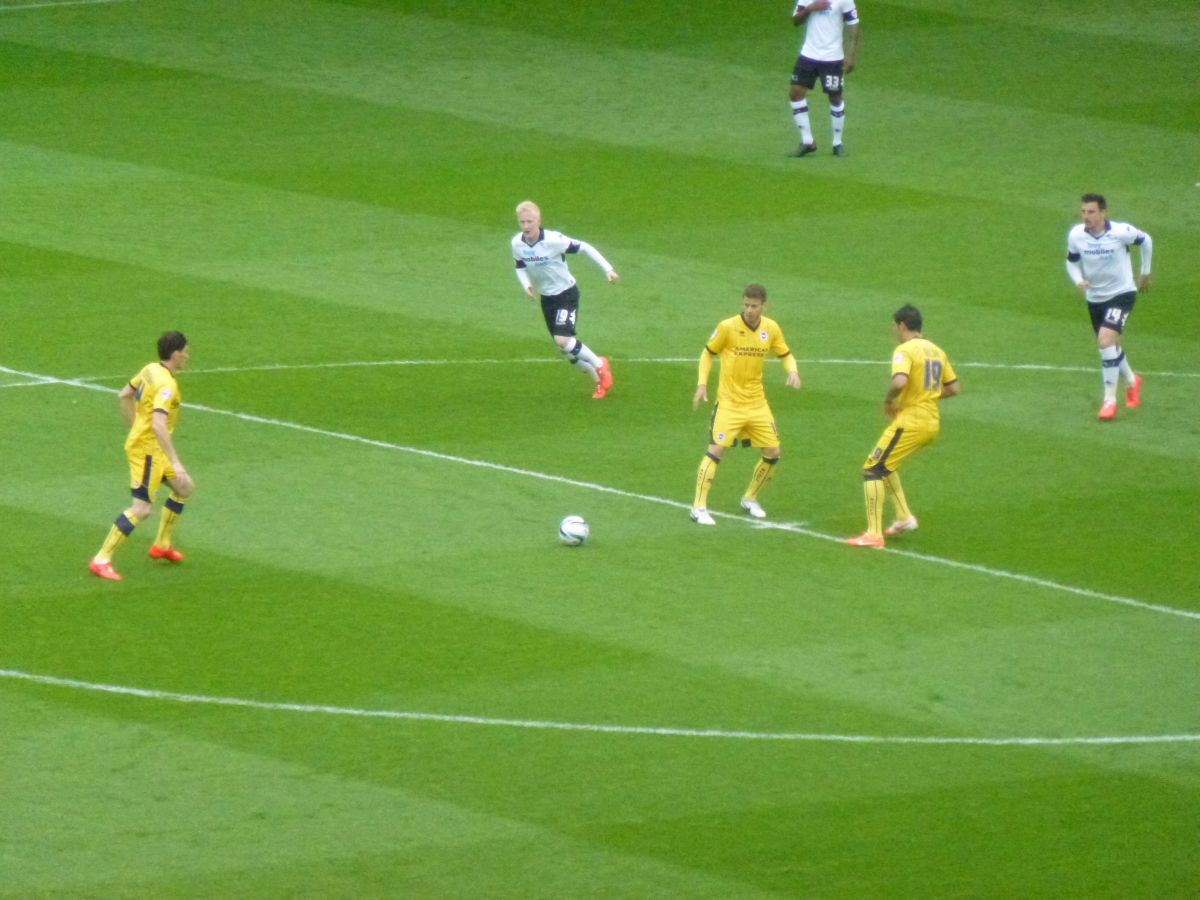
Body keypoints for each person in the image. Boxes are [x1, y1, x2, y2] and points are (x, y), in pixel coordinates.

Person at [846, 305, 959, 548]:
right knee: (887, 464)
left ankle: (874, 534)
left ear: (902, 326)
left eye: (895, 326)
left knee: (873, 469)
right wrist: (926, 395)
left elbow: (899, 381)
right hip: (930, 421)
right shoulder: (936, 350)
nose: (894, 331)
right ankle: (904, 517)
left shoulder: (905, 350)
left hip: (912, 421)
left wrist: (889, 400)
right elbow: (953, 388)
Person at [690, 285, 802, 526]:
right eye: (746, 305)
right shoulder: (727, 327)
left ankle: (750, 499)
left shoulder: (771, 328)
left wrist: (792, 371)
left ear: (764, 306)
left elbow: (786, 354)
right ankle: (698, 507)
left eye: (754, 306)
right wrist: (701, 384)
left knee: (773, 452)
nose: (749, 311)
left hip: (757, 403)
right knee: (716, 449)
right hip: (729, 403)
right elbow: (707, 353)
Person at [89, 332, 195, 581]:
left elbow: (123, 394)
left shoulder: (150, 369)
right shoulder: (167, 385)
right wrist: (176, 461)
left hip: (150, 447)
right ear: (176, 353)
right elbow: (159, 425)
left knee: (184, 487)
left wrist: (136, 426)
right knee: (142, 509)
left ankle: (162, 545)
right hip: (148, 452)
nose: (188, 355)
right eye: (185, 350)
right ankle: (101, 560)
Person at [511, 201, 619, 399]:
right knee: (567, 352)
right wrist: (526, 284)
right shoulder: (517, 243)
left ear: (538, 221)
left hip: (566, 294)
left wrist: (608, 269)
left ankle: (600, 365)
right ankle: (599, 383)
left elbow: (584, 247)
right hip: (547, 299)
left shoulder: (553, 240)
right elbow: (519, 265)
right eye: (522, 222)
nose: (526, 226)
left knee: (563, 340)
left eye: (530, 221)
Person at [1065, 193, 1153, 421]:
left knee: (1104, 341)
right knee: (1110, 346)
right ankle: (1133, 381)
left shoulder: (1119, 232)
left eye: (1091, 212)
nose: (1086, 216)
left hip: (1122, 294)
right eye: (1083, 212)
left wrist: (1145, 272)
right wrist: (1078, 280)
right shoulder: (1076, 235)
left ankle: (1109, 401)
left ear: (1103, 213)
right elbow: (1071, 261)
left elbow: (1146, 241)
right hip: (1095, 298)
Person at [787, 0, 861, 158]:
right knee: (795, 93)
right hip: (808, 55)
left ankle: (837, 143)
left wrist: (851, 55)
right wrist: (811, 8)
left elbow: (853, 23)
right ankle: (807, 142)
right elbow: (796, 21)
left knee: (835, 98)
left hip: (832, 58)